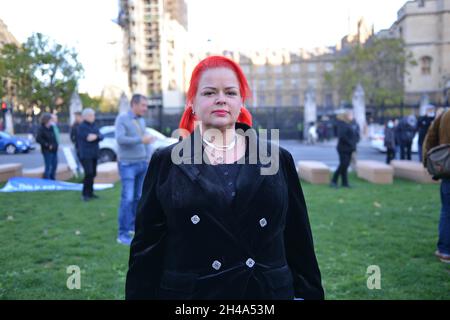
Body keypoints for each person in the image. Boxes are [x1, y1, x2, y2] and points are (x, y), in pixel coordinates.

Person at [125, 56, 324, 300]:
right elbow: (147, 248)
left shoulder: (277, 158)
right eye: (209, 93)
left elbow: (298, 240)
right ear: (192, 103)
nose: (221, 99)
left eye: (230, 92)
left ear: (241, 102)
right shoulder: (167, 162)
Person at [115, 94, 156, 245]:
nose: (145, 108)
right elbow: (120, 139)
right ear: (134, 104)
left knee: (138, 197)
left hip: (142, 164)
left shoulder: (141, 120)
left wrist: (148, 155)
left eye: (146, 105)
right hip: (127, 165)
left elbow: (144, 141)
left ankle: (132, 226)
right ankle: (122, 233)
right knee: (127, 198)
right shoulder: (122, 118)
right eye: (143, 105)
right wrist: (141, 140)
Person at [423, 109, 450, 264]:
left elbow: (430, 138)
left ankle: (445, 251)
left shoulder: (445, 114)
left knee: (447, 211)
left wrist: (431, 163)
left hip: (447, 169)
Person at [77, 108, 103, 201]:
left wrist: (96, 136)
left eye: (93, 115)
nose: (93, 117)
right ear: (86, 116)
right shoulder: (81, 127)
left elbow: (101, 136)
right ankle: (85, 194)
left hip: (94, 153)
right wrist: (97, 136)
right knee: (89, 173)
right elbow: (88, 138)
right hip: (85, 154)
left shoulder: (94, 125)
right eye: (92, 115)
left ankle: (90, 192)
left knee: (93, 174)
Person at [330, 110, 359, 189]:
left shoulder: (349, 124)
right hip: (343, 148)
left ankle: (345, 183)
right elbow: (342, 136)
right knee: (343, 165)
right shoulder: (342, 124)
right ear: (346, 116)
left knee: (345, 166)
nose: (352, 116)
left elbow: (354, 134)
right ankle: (333, 181)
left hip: (349, 148)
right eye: (351, 115)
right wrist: (351, 143)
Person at [36, 113, 58, 180]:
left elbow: (54, 138)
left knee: (54, 165)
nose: (52, 121)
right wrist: (47, 145)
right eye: (51, 119)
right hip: (47, 150)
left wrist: (55, 145)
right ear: (47, 120)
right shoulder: (41, 129)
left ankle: (53, 179)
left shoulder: (51, 128)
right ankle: (47, 180)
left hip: (54, 150)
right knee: (48, 166)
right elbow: (38, 139)